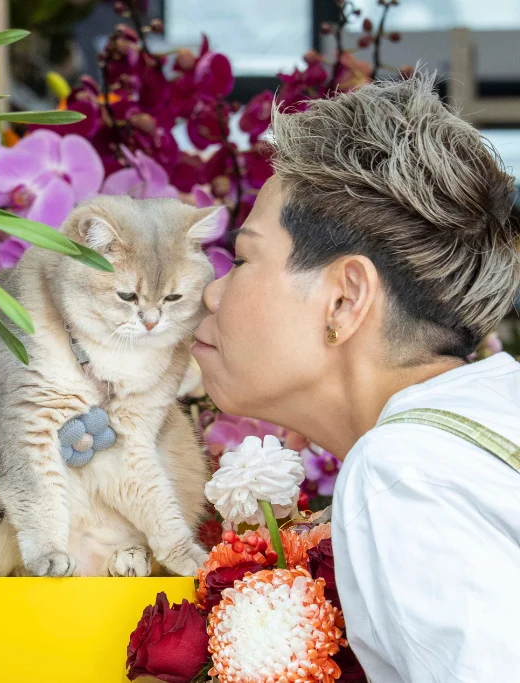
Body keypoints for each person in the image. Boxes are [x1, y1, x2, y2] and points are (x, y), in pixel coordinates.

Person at [191, 73, 520, 682]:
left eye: (242, 259)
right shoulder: (479, 422)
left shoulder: (404, 474)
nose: (212, 293)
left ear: (344, 300)